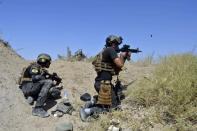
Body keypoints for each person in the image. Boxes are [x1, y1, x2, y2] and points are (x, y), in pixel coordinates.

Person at [79, 35, 131, 122]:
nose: (118, 47)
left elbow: (116, 70)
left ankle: (92, 102)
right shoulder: (110, 50)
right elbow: (120, 65)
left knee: (116, 100)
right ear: (113, 44)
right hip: (104, 85)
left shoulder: (105, 51)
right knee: (112, 108)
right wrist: (123, 56)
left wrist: (124, 56)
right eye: (117, 44)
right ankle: (86, 111)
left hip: (102, 83)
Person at [18, 53, 61, 118]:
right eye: (48, 62)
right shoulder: (34, 67)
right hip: (28, 87)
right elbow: (35, 78)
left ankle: (32, 97)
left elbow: (41, 84)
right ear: (43, 61)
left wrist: (52, 81)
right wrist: (50, 81)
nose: (49, 63)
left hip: (31, 88)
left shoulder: (41, 69)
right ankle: (37, 108)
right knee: (49, 82)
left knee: (55, 92)